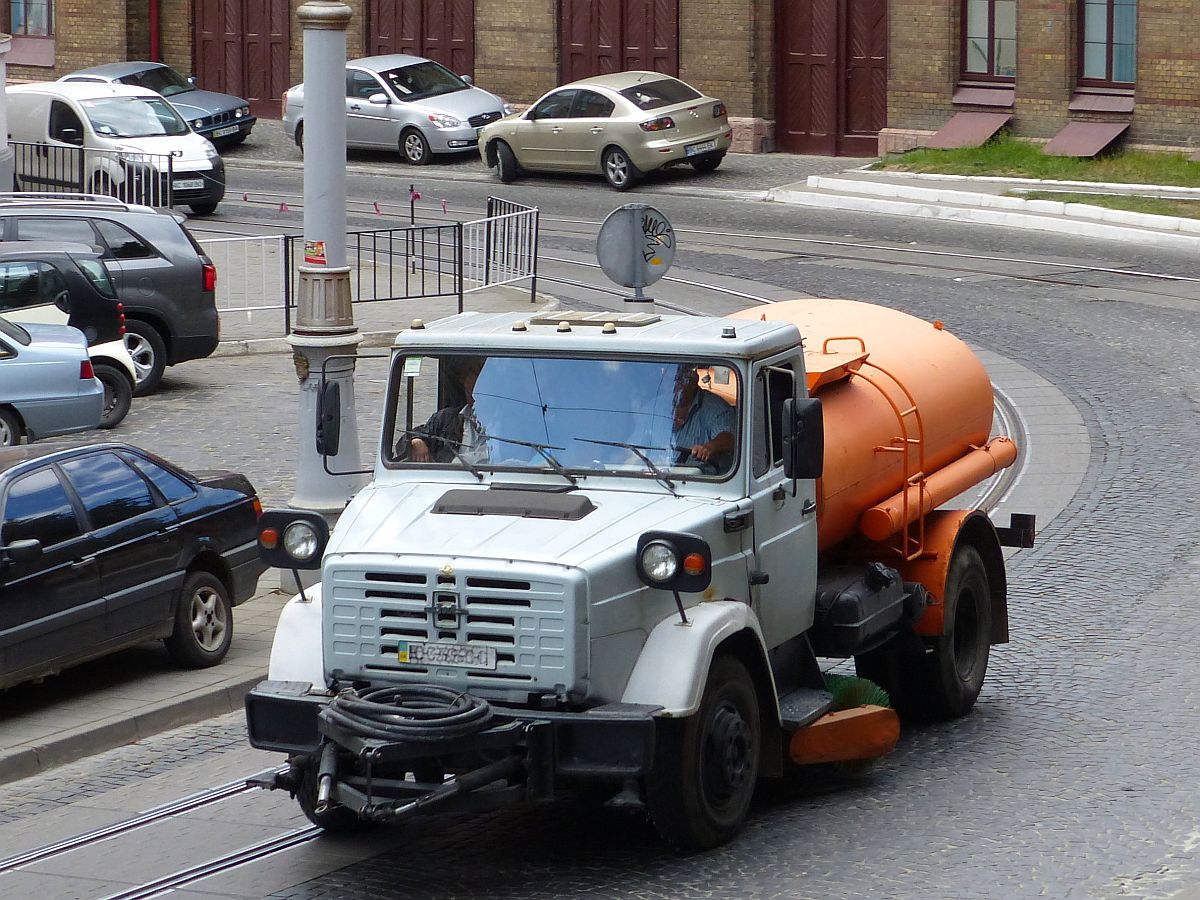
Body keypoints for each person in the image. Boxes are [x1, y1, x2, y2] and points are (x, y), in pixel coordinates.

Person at [399, 356, 489, 464]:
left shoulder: (508, 421)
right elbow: (406, 441)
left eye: (479, 373)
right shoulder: (445, 420)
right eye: (470, 373)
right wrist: (416, 441)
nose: (471, 380)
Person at [671, 366, 736, 473]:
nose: (677, 386)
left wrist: (709, 447)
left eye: (682, 380)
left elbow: (729, 437)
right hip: (658, 475)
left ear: (695, 379)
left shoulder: (716, 408)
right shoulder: (657, 405)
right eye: (675, 381)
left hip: (703, 482)